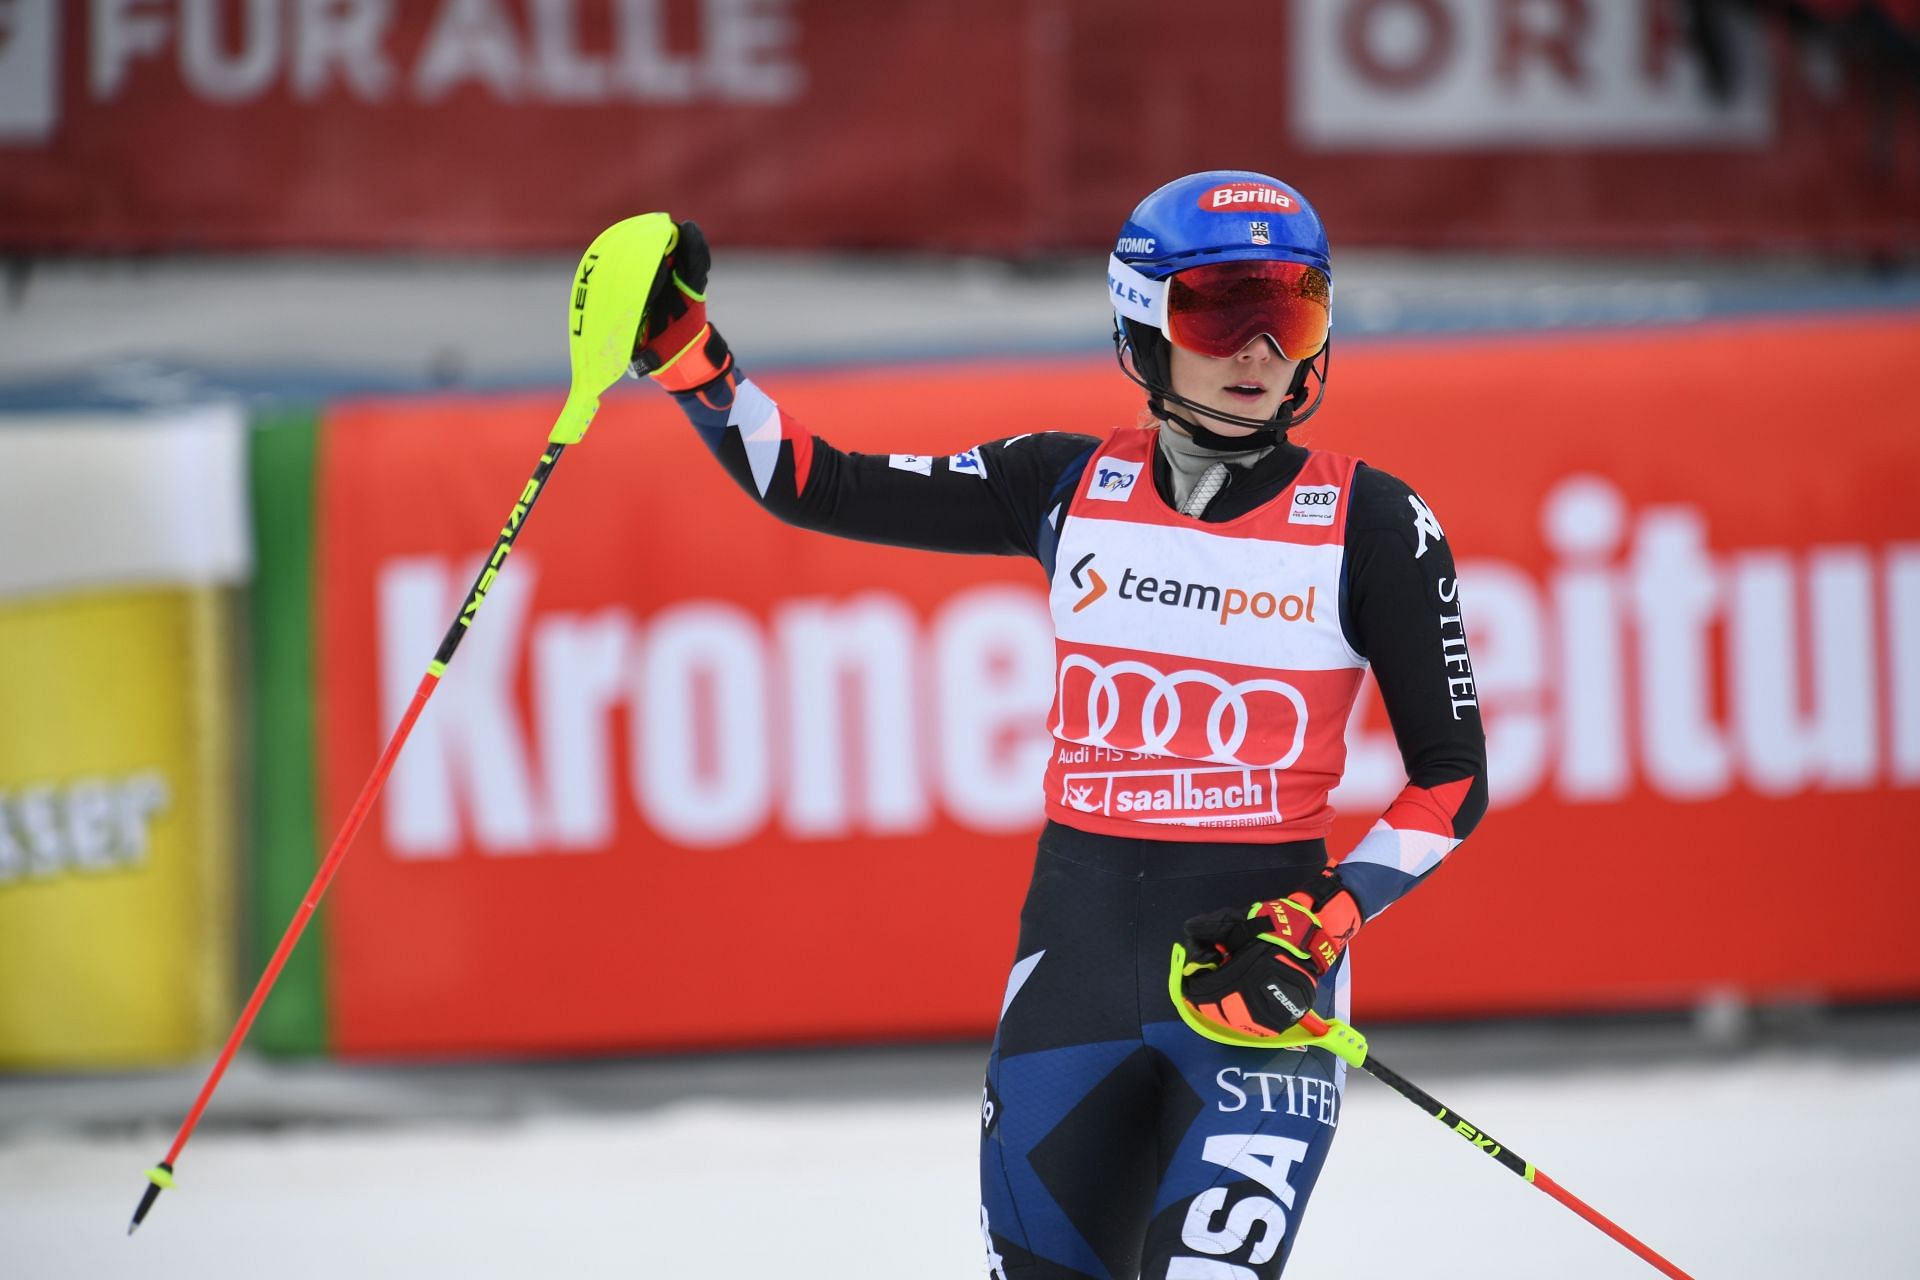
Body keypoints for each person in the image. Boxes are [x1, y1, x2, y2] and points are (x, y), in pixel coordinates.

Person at [631, 170, 1488, 1279]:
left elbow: (1451, 777)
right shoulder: (1063, 482)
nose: (1260, 353)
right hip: (1072, 969)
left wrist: (1321, 921)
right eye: (1222, 314)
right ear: (1143, 324)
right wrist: (691, 355)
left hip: (1252, 975)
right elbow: (818, 483)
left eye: (1293, 315)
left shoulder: (1371, 518)